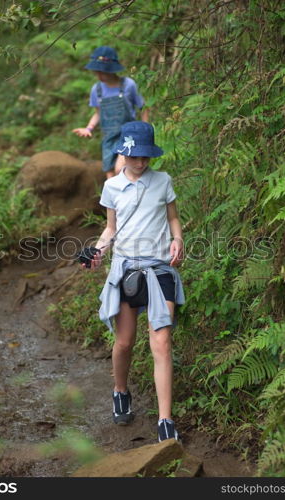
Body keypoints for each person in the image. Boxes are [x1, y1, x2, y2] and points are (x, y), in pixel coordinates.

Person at [82, 121, 185, 442]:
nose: (141, 162)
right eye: (135, 156)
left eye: (146, 157)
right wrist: (97, 251)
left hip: (159, 270)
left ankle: (165, 420)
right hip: (127, 270)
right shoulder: (112, 187)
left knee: (161, 342)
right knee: (125, 342)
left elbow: (172, 217)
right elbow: (110, 229)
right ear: (123, 154)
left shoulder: (163, 181)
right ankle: (120, 390)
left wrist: (178, 238)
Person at [72, 46, 149, 180]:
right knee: (110, 174)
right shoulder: (96, 90)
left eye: (103, 72)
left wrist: (145, 129)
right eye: (97, 72)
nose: (100, 75)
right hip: (108, 137)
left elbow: (144, 107)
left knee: (120, 169)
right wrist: (89, 128)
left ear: (113, 70)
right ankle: (115, 200)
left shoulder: (128, 85)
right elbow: (98, 113)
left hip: (128, 135)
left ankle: (133, 196)